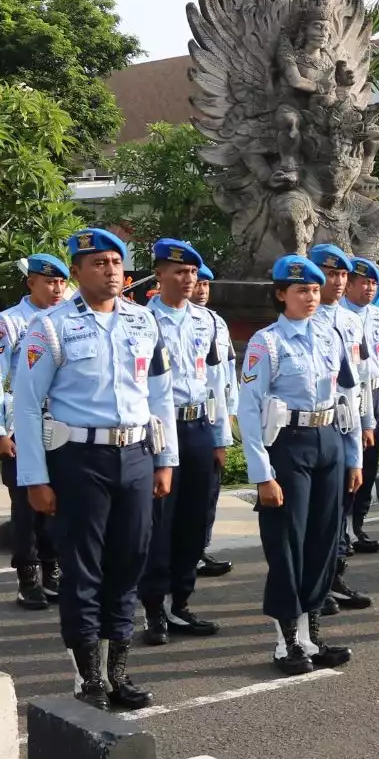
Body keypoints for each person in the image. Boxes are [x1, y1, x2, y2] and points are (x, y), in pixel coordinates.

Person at [12, 228, 178, 710]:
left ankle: (117, 671)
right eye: (98, 263)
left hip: (136, 456)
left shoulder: (144, 322)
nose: (109, 271)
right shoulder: (51, 327)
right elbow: (26, 405)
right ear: (77, 272)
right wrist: (35, 478)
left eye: (115, 262)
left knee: (129, 562)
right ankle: (87, 677)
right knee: (84, 569)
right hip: (79, 459)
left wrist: (165, 459)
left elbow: (160, 397)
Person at [237, 254, 359, 674]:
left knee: (322, 542)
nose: (310, 296)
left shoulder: (329, 336)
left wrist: (353, 454)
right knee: (288, 544)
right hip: (287, 444)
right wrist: (262, 473)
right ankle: (285, 642)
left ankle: (311, 636)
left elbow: (348, 397)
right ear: (280, 295)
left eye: (313, 289)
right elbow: (249, 409)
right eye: (300, 290)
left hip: (328, 440)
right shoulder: (266, 342)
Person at [139, 239, 233, 646]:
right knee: (160, 523)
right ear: (159, 275)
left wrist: (221, 437)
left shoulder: (208, 321)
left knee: (194, 521)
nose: (188, 279)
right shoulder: (139, 320)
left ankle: (181, 603)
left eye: (193, 272)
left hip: (198, 428)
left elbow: (218, 382)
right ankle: (153, 609)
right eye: (179, 271)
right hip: (160, 430)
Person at [0, 253, 67, 611]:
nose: (57, 288)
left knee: (57, 503)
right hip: (21, 426)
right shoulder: (9, 322)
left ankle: (53, 572)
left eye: (63, 281)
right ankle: (28, 577)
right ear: (30, 282)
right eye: (50, 282)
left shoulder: (67, 319)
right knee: (25, 505)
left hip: (61, 426)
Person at [307, 244, 377, 616]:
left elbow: (361, 379)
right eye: (329, 274)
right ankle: (313, 585)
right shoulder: (305, 317)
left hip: (346, 423)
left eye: (341, 275)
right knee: (314, 514)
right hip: (312, 424)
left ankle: (335, 576)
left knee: (341, 507)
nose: (335, 281)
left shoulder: (352, 321)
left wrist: (366, 422)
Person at [190, 265, 238, 579]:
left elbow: (228, 374)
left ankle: (199, 549)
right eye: (199, 282)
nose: (203, 289)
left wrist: (228, 417)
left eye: (207, 283)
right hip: (181, 419)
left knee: (208, 492)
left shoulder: (217, 323)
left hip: (211, 417)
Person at [343, 256, 379, 556]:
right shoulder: (340, 316)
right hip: (350, 396)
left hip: (373, 394)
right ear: (349, 283)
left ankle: (357, 523)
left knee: (370, 461)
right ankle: (343, 525)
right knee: (352, 461)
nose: (369, 288)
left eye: (374, 283)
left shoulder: (378, 315)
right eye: (364, 282)